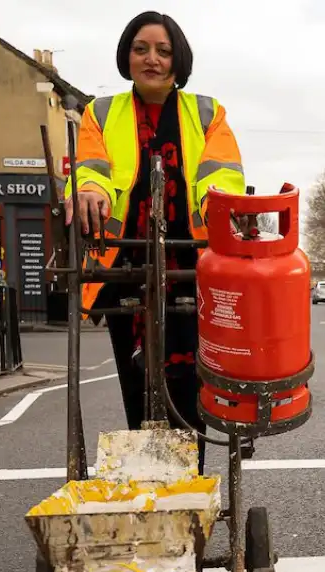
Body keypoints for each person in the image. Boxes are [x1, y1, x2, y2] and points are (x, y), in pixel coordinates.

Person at [64, 11, 246, 472]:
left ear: (177, 59)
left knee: (187, 378)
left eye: (163, 51)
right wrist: (88, 192)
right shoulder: (100, 113)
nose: (152, 59)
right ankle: (150, 481)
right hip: (128, 264)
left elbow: (221, 174)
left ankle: (191, 481)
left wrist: (216, 204)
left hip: (190, 267)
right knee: (135, 376)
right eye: (141, 49)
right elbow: (91, 170)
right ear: (127, 55)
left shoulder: (206, 112)